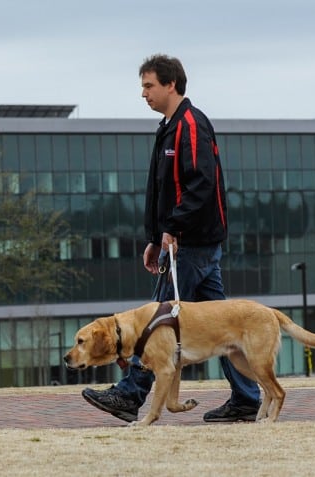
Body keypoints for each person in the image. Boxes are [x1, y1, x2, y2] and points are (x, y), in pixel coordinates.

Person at [81, 54, 261, 423]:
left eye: (148, 86)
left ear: (171, 85)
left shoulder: (191, 125)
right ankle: (245, 398)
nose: (143, 94)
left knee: (154, 321)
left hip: (191, 244)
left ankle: (129, 395)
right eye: (142, 87)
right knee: (223, 324)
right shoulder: (168, 126)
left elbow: (200, 184)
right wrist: (154, 237)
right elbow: (162, 190)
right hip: (185, 241)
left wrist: (173, 230)